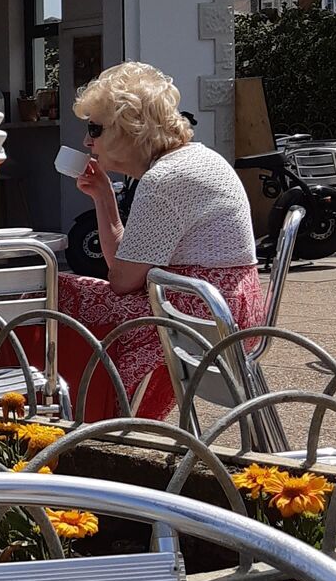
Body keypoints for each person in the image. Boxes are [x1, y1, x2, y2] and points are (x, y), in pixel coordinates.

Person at [54, 61, 263, 417]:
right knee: (64, 296)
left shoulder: (164, 180)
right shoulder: (191, 161)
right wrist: (104, 198)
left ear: (127, 129)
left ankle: (76, 421)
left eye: (95, 128)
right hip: (223, 307)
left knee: (51, 295)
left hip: (197, 315)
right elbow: (125, 265)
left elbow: (121, 281)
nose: (87, 140)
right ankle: (86, 415)